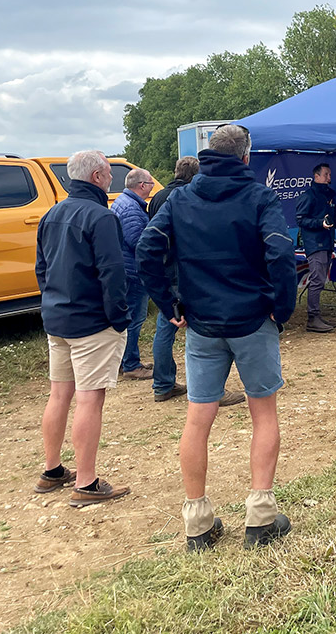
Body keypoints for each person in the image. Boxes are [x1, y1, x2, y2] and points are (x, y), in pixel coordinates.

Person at [137, 125, 298, 552]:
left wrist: (169, 305)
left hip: (202, 324)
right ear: (247, 158)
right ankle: (260, 518)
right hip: (252, 321)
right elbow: (281, 253)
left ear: (207, 156)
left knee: (197, 418)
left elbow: (147, 249)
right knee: (263, 414)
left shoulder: (181, 197)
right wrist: (281, 308)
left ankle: (197, 524)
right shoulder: (259, 197)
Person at [35, 150, 131, 504]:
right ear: (96, 177)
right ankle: (86, 483)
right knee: (90, 398)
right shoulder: (101, 217)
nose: (111, 179)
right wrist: (118, 316)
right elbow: (112, 272)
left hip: (57, 317)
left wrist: (52, 300)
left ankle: (52, 469)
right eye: (108, 173)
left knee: (59, 394)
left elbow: (41, 269)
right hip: (92, 322)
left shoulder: (51, 214)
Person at [148, 156, 238, 403]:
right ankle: (212, 390)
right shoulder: (189, 198)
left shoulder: (157, 197)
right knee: (201, 331)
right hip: (186, 271)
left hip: (164, 271)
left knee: (165, 327)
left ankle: (162, 384)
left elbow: (150, 239)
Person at [112, 168, 156, 381]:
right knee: (134, 319)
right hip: (134, 271)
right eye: (151, 185)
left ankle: (126, 360)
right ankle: (131, 364)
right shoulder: (131, 208)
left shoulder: (123, 201)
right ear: (142, 186)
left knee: (128, 318)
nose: (151, 188)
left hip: (125, 268)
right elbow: (138, 242)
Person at [295, 163, 336, 332]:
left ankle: (317, 316)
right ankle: (312, 318)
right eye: (325, 174)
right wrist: (319, 223)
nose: (329, 178)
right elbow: (300, 220)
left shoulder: (330, 195)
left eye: (330, 174)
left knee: (321, 278)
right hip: (314, 244)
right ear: (316, 176)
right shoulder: (309, 196)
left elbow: (330, 222)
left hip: (327, 243)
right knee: (317, 279)